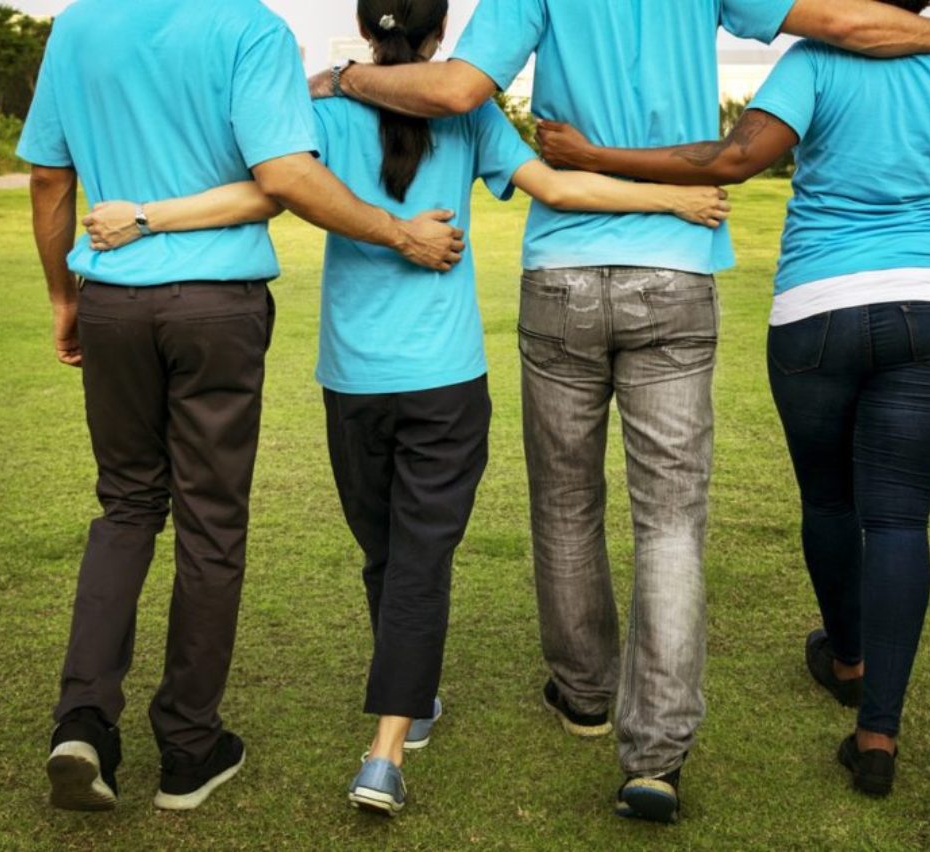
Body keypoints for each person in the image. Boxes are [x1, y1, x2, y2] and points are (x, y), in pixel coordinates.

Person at [311, 0, 930, 823]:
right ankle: (656, 757)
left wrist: (349, 75)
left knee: (566, 504)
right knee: (672, 522)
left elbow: (461, 88)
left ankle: (582, 695)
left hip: (562, 275)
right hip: (675, 274)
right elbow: (848, 24)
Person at [80, 0, 728, 817]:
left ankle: (405, 715)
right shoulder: (473, 117)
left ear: (364, 28)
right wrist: (670, 202)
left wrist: (144, 217)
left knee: (386, 552)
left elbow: (261, 188)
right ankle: (393, 733)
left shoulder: (322, 107)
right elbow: (556, 188)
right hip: (445, 377)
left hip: (352, 378)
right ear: (437, 40)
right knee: (415, 560)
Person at [537, 0, 930, 800]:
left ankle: (848, 659)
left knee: (830, 501)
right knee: (899, 520)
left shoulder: (814, 62)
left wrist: (596, 154)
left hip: (815, 310)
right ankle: (877, 733)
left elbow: (730, 159)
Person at [19, 0, 464, 814]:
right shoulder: (250, 29)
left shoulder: (77, 25)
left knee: (124, 508)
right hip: (216, 306)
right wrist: (399, 234)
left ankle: (82, 722)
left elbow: (50, 176)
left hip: (112, 300)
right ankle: (189, 750)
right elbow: (284, 178)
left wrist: (61, 296)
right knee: (210, 523)